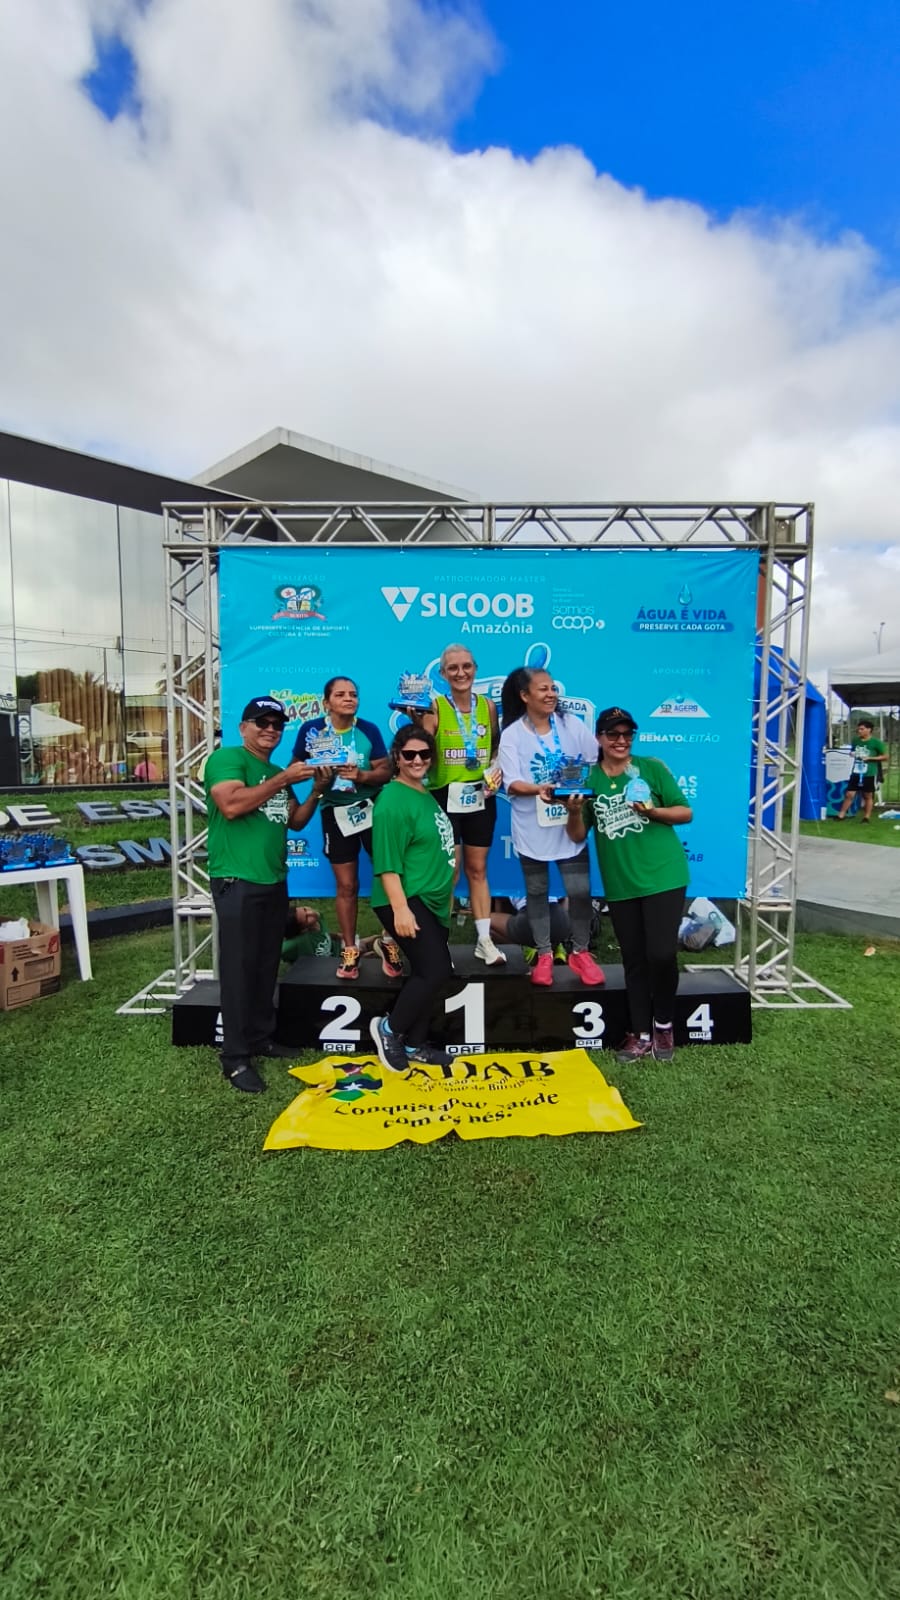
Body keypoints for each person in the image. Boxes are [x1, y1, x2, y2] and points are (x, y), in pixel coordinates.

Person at [204, 695, 328, 1094]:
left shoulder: (276, 771)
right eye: (262, 722)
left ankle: (260, 1037)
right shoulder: (228, 759)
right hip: (237, 879)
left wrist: (316, 791)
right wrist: (282, 780)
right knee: (239, 970)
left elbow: (296, 821)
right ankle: (235, 1058)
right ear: (244, 727)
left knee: (264, 965)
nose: (270, 729)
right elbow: (230, 805)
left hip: (273, 880)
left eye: (277, 724)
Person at [566, 706, 692, 1064]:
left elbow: (684, 812)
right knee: (633, 959)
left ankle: (663, 1024)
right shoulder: (588, 778)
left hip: (664, 875)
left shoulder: (650, 768)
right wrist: (573, 811)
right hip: (621, 882)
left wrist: (651, 812)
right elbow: (577, 835)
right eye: (613, 734)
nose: (621, 740)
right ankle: (640, 1033)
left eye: (627, 734)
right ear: (599, 738)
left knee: (661, 954)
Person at [498, 665, 605, 989]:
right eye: (543, 689)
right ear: (524, 695)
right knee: (537, 893)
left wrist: (579, 785)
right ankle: (544, 954)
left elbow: (594, 758)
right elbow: (512, 783)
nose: (551, 694)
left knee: (579, 891)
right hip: (532, 828)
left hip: (569, 822)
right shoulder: (513, 734)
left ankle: (581, 952)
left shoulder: (570, 723)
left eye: (553, 688)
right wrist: (540, 789)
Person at [292, 677, 398, 979]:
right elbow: (293, 770)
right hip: (335, 812)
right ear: (327, 702)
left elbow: (386, 770)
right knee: (347, 885)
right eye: (340, 695)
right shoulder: (311, 730)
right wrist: (317, 774)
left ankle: (388, 941)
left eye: (353, 694)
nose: (349, 699)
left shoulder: (368, 729)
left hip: (371, 808)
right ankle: (350, 949)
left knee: (388, 876)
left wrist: (362, 776)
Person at [368, 724, 457, 1072]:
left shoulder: (424, 793)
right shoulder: (391, 800)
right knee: (436, 970)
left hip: (431, 900)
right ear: (397, 757)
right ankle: (389, 1029)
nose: (417, 760)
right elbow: (386, 863)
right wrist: (401, 909)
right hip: (407, 898)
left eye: (424, 753)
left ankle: (415, 1044)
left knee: (427, 971)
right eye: (409, 754)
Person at [422, 644, 505, 966]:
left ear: (475, 669)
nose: (461, 673)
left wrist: (495, 767)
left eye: (466, 666)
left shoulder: (488, 706)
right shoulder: (435, 708)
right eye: (453, 668)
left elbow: (495, 745)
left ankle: (484, 940)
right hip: (444, 796)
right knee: (450, 871)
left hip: (480, 796)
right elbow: (422, 751)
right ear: (443, 674)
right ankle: (439, 944)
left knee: (478, 869)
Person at [280, 904, 403, 978]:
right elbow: (277, 951)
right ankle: (366, 955)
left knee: (370, 940)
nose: (311, 913)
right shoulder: (298, 942)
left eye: (305, 909)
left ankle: (377, 946)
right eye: (307, 918)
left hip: (341, 949)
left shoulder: (318, 919)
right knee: (366, 956)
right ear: (302, 930)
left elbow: (326, 935)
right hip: (329, 967)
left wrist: (340, 936)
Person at [836, 718, 888, 822]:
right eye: (858, 729)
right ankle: (841, 815)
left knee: (867, 795)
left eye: (862, 729)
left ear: (869, 730)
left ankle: (866, 817)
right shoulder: (856, 741)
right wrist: (852, 754)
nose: (859, 731)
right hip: (856, 771)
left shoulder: (876, 742)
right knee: (849, 794)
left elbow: (885, 757)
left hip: (869, 772)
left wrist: (870, 758)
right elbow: (853, 751)